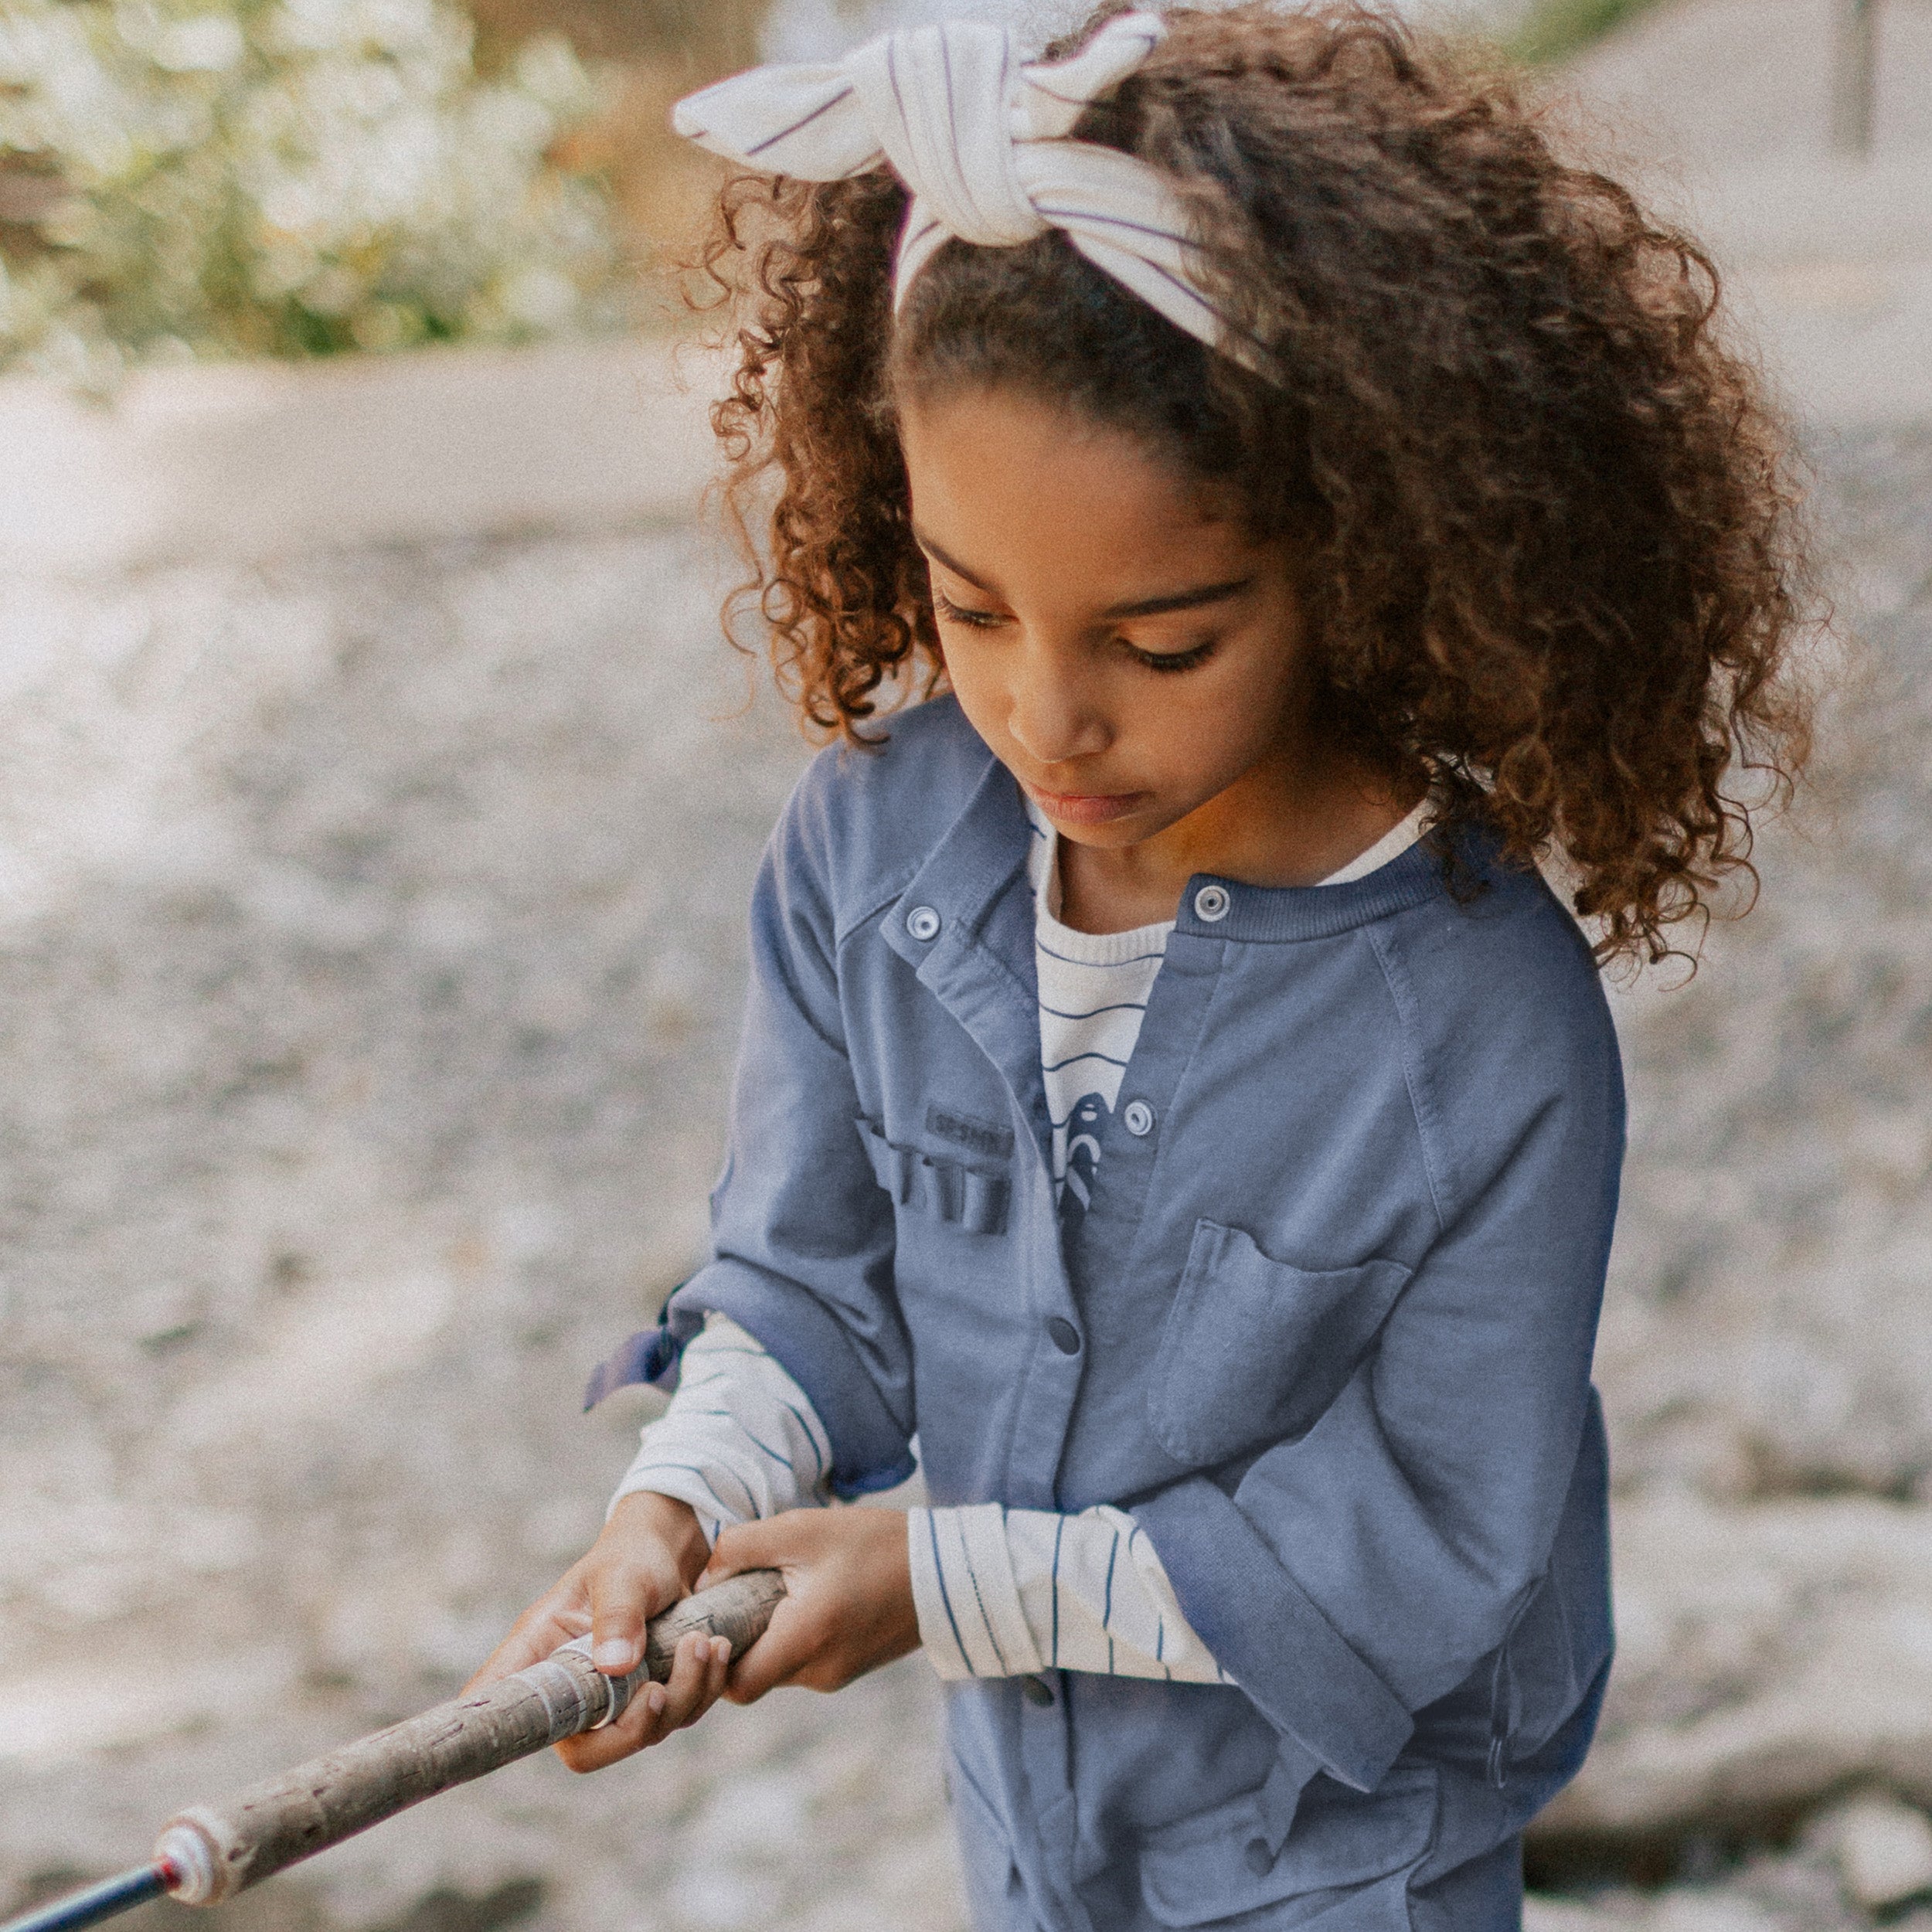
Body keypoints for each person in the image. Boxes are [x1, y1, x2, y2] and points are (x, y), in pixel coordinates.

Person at [467, 5, 1812, 1925]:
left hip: (1348, 1856)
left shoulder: (1480, 1027)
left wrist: (932, 1579)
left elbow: (1426, 1536)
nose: (1042, 716)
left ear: (1360, 549)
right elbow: (808, 1279)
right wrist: (670, 1510)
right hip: (1033, 1832)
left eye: (1160, 643)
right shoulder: (868, 851)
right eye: (968, 603)